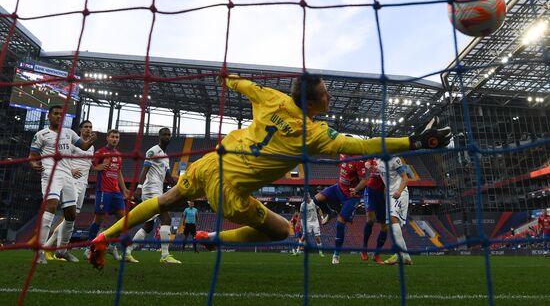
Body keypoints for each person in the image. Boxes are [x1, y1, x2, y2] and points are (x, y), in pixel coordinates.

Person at [89, 74, 451, 269]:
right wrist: (415, 141)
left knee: (165, 200)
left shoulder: (269, 97)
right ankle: (211, 239)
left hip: (211, 161)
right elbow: (366, 146)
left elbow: (240, 83)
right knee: (280, 229)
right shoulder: (317, 134)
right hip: (228, 190)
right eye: (325, 94)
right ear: (312, 102)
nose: (329, 98)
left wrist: (226, 79)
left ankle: (104, 237)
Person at [28, 105, 96, 264]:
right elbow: (32, 155)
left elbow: (84, 146)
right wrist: (34, 164)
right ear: (49, 117)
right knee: (51, 206)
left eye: (61, 114)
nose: (59, 116)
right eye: (56, 114)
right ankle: (39, 251)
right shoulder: (41, 135)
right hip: (50, 174)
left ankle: (62, 251)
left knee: (71, 215)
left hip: (67, 176)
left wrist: (91, 140)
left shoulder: (69, 133)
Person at [124, 128, 181, 263]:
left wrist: (181, 186)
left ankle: (127, 251)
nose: (167, 137)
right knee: (166, 219)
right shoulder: (153, 150)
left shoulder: (166, 157)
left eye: (169, 135)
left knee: (148, 225)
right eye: (164, 135)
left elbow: (168, 177)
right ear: (159, 136)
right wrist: (139, 188)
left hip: (158, 190)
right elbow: (145, 169)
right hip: (150, 189)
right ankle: (165, 256)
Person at [44, 120, 96, 262]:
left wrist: (97, 168)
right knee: (68, 217)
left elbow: (87, 164)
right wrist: (71, 169)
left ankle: (49, 247)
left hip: (83, 183)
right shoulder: (73, 143)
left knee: (70, 218)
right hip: (72, 182)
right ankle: (58, 249)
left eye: (90, 127)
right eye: (85, 127)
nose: (88, 129)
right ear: (80, 129)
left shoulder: (91, 147)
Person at [312, 151, 367, 264]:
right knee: (316, 199)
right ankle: (329, 212)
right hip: (339, 188)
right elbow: (339, 163)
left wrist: (356, 189)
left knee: (340, 224)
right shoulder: (343, 155)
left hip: (351, 196)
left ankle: (336, 254)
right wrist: (324, 161)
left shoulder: (358, 160)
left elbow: (365, 180)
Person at [84, 129, 129, 261]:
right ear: (107, 138)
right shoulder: (100, 152)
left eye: (117, 137)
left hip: (116, 192)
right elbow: (89, 165)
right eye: (113, 137)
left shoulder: (118, 154)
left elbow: (119, 172)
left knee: (124, 220)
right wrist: (97, 168)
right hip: (103, 190)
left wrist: (124, 189)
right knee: (98, 219)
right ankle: (88, 248)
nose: (115, 139)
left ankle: (112, 246)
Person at [377, 156, 412, 265]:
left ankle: (400, 255)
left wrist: (399, 192)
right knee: (391, 225)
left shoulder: (395, 160)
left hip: (400, 193)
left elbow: (405, 178)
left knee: (393, 219)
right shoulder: (378, 160)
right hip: (389, 196)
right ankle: (404, 257)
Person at [351, 158, 387, 265]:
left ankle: (377, 254)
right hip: (370, 191)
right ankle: (364, 248)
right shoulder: (372, 158)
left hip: (382, 194)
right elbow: (367, 165)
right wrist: (373, 167)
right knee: (371, 219)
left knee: (385, 226)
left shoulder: (388, 160)